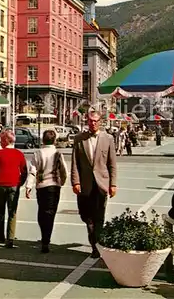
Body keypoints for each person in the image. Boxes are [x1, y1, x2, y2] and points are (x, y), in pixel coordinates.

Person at [71, 110, 117, 258]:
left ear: (100, 122)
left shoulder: (108, 138)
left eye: (96, 121)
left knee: (99, 217)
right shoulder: (79, 139)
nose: (93, 123)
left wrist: (113, 184)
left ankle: (96, 246)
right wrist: (75, 181)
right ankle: (94, 240)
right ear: (87, 121)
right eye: (90, 120)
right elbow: (74, 163)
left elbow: (112, 164)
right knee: (86, 217)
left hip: (101, 184)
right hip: (85, 185)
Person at [26, 130, 67, 253]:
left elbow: (32, 171)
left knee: (42, 211)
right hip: (54, 186)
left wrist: (29, 186)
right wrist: (62, 182)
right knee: (51, 212)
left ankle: (44, 234)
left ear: (43, 140)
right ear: (54, 141)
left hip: (41, 186)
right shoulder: (58, 154)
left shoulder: (37, 153)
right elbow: (64, 171)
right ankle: (46, 239)